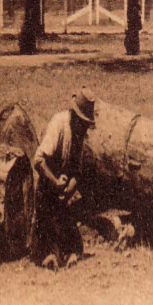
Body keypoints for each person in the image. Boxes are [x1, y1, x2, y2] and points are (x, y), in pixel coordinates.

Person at [31, 87, 96, 268]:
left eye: (86, 124)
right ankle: (49, 255)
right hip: (46, 191)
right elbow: (38, 160)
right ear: (74, 116)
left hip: (62, 197)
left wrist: (69, 188)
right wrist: (55, 182)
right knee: (46, 231)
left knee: (73, 239)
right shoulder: (59, 124)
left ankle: (68, 253)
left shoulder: (79, 135)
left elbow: (77, 172)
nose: (84, 128)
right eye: (82, 122)